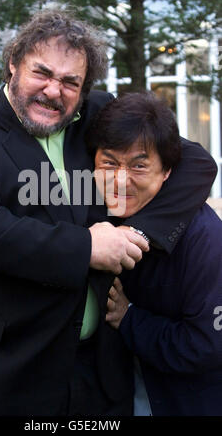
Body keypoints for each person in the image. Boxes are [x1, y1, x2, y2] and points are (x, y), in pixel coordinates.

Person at [0, 8, 216, 416]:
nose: (53, 90)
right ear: (13, 63)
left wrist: (136, 234)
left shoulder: (99, 114)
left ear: (84, 89)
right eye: (41, 73)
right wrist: (88, 247)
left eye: (70, 82)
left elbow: (195, 162)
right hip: (10, 372)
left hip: (100, 372)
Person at [87, 92, 222, 416]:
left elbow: (206, 346)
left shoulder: (204, 238)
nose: (121, 180)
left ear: (167, 172)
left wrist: (130, 318)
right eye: (109, 162)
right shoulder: (99, 220)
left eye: (139, 166)